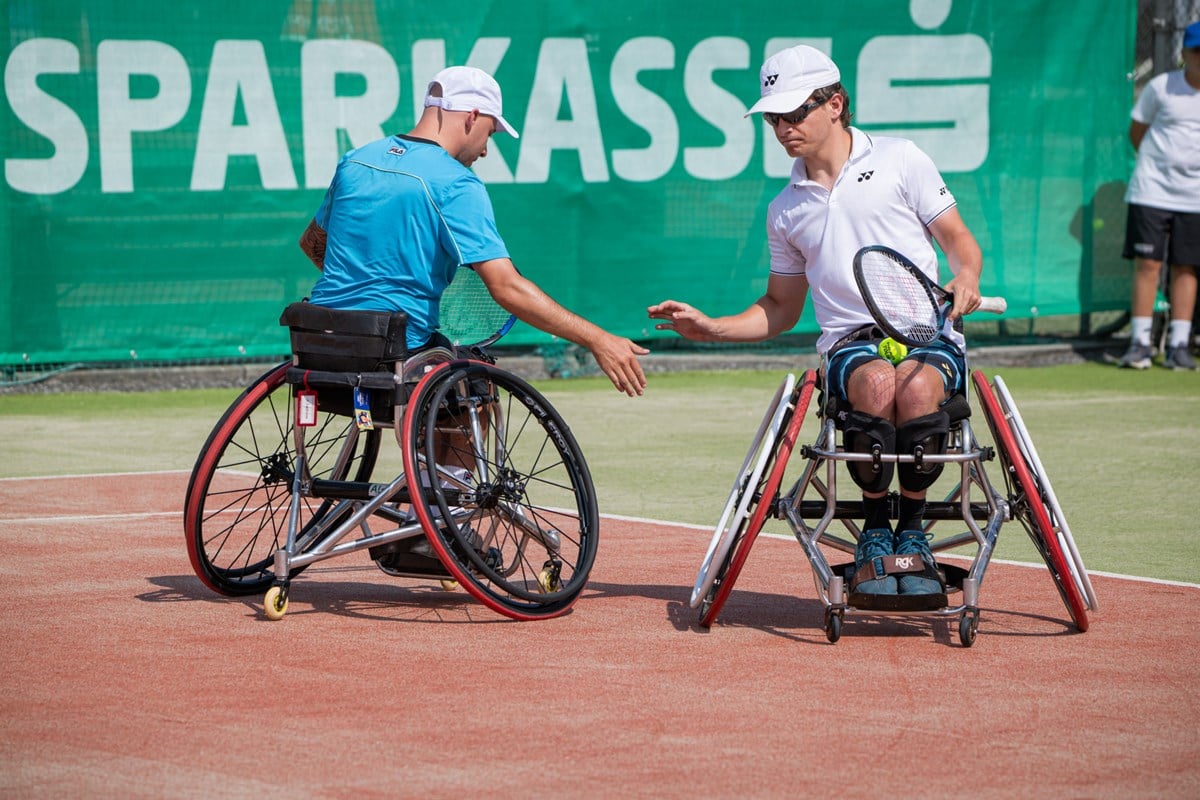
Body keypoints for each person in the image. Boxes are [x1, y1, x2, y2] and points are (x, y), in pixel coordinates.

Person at [647, 45, 984, 600]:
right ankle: (877, 531)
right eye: (774, 117)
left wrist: (965, 277)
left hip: (928, 332)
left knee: (919, 387)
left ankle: (913, 529)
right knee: (877, 384)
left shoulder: (902, 159)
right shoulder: (785, 208)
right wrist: (712, 328)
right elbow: (781, 307)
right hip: (851, 343)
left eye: (795, 112)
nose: (783, 127)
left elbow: (958, 241)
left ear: (835, 103)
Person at [299, 65, 649, 396]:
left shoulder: (355, 160)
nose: (484, 149)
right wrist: (597, 339)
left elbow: (313, 245)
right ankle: (453, 465)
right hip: (395, 351)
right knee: (476, 388)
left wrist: (366, 280)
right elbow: (507, 287)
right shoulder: (456, 183)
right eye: (490, 132)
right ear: (472, 116)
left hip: (317, 339)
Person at [1117, 20, 1200, 371]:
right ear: (1184, 54)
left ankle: (1179, 346)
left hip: (1194, 198)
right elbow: (1137, 132)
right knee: (1148, 265)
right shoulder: (1161, 87)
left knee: (1186, 266)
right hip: (1151, 191)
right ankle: (1140, 344)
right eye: (1197, 52)